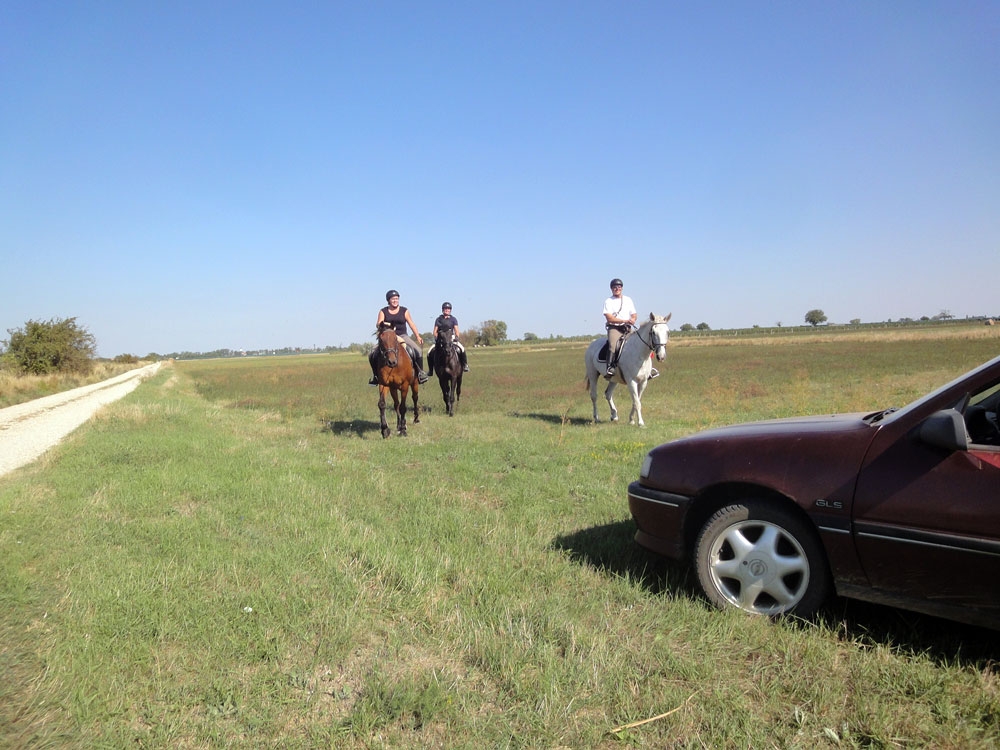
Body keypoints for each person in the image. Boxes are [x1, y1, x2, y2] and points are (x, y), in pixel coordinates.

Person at [369, 289, 429, 385]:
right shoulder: (383, 311)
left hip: (402, 336)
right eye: (393, 299)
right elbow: (378, 324)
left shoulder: (404, 310)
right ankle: (376, 376)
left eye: (397, 298)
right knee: (372, 353)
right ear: (388, 300)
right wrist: (388, 324)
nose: (395, 300)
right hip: (388, 338)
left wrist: (417, 336)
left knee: (417, 351)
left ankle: (420, 373)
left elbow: (411, 324)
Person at [602, 278, 637, 378]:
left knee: (639, 342)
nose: (617, 289)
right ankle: (610, 367)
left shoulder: (628, 300)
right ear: (611, 289)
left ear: (622, 288)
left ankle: (647, 368)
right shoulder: (608, 301)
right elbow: (609, 318)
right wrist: (624, 320)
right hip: (615, 328)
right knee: (613, 345)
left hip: (627, 328)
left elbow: (634, 314)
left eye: (619, 287)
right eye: (614, 287)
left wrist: (633, 319)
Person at [430, 302, 470, 373]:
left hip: (451, 337)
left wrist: (457, 337)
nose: (447, 310)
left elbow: (456, 330)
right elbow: (435, 331)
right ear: (443, 310)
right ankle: (430, 370)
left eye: (448, 309)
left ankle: (465, 365)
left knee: (462, 349)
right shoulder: (438, 319)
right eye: (445, 309)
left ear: (450, 310)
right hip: (441, 339)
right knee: (430, 351)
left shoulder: (453, 319)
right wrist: (436, 337)